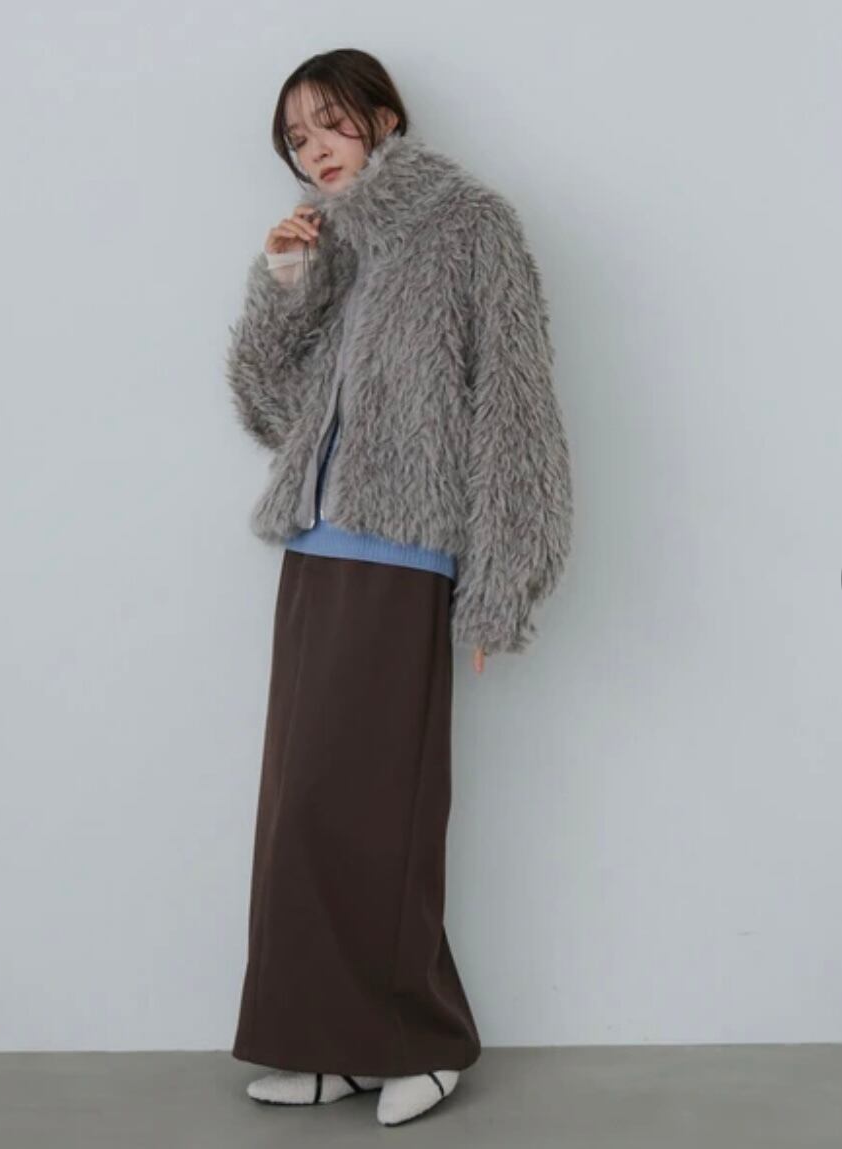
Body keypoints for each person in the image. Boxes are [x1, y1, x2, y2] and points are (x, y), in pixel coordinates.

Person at [224, 48, 573, 1127]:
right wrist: (286, 286)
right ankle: (325, 1046)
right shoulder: (332, 244)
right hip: (315, 548)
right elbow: (272, 410)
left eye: (329, 124)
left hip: (406, 553)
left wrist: (501, 581)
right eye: (296, 139)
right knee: (300, 810)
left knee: (383, 812)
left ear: (382, 118)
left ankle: (423, 1040)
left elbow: (515, 408)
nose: (313, 151)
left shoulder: (470, 226)